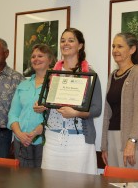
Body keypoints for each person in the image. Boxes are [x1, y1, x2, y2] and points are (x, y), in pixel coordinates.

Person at [35, 28, 102, 175]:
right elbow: (49, 102)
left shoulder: (90, 74)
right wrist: (41, 106)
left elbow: (97, 109)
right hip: (52, 140)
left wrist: (76, 112)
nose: (66, 43)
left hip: (78, 142)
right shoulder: (52, 73)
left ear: (80, 45)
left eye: (71, 40)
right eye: (63, 40)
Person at [100, 32, 138, 170]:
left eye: (120, 46)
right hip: (112, 138)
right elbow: (107, 113)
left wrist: (132, 141)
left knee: (132, 184)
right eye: (113, 46)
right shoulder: (112, 75)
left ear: (132, 49)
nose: (115, 50)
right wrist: (104, 145)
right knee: (114, 183)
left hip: (132, 140)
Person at [8, 44, 56, 168]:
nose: (36, 59)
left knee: (43, 181)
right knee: (22, 182)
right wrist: (19, 134)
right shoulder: (23, 85)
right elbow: (13, 114)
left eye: (40, 56)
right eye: (33, 56)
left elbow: (56, 115)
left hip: (45, 142)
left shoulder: (55, 84)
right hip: (21, 141)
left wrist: (35, 132)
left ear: (50, 60)